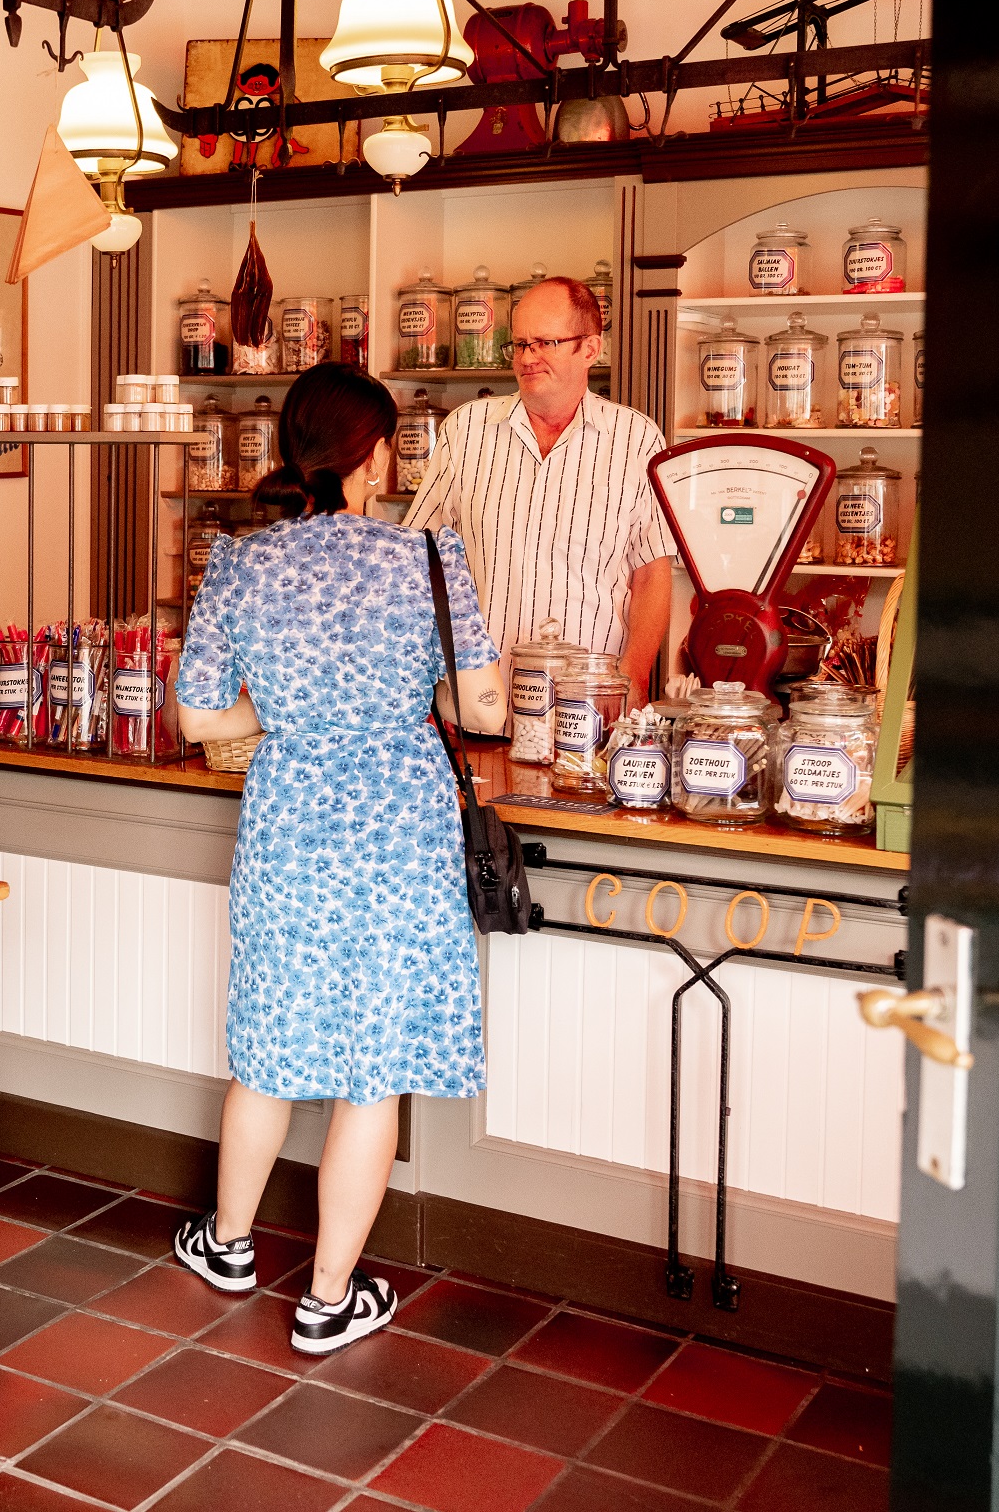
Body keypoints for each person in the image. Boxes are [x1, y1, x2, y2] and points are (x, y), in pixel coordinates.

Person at [169, 363, 506, 1354]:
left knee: (267, 1048)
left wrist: (291, 709)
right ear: (377, 455)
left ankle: (228, 1244)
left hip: (289, 823)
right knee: (374, 1070)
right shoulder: (429, 558)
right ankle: (326, 1298)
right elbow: (484, 705)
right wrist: (405, 697)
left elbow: (198, 717)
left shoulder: (238, 561)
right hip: (400, 828)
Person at [402, 275, 675, 704]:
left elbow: (652, 574)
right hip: (477, 703)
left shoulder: (636, 439)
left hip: (589, 705)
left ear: (590, 348)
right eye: (519, 344)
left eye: (545, 343)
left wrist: (633, 680)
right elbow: (419, 555)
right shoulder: (466, 429)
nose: (527, 358)